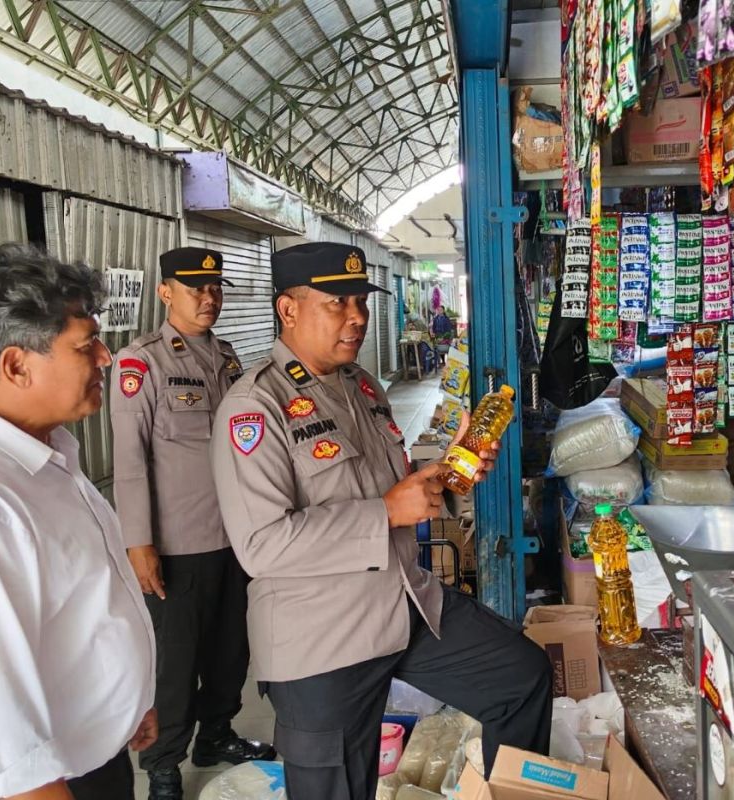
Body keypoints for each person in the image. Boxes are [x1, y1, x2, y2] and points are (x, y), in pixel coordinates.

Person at [211, 243, 552, 800]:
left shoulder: (361, 386)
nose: (357, 318)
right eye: (337, 304)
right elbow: (262, 546)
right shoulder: (255, 407)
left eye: (361, 304)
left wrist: (450, 464)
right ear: (288, 309)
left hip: (403, 602)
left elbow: (389, 486)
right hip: (322, 637)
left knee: (520, 677)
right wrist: (387, 513)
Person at [0, 243, 158, 800]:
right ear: (16, 365)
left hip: (84, 758)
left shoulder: (46, 456)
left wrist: (123, 701)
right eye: (86, 345)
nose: (106, 359)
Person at [110, 247, 275, 800]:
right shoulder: (142, 363)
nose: (209, 298)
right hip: (177, 543)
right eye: (194, 288)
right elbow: (129, 465)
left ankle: (218, 734)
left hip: (237, 534)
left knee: (232, 650)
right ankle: (163, 764)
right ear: (165, 293)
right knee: (175, 661)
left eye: (215, 288)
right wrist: (138, 542)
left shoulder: (227, 358)